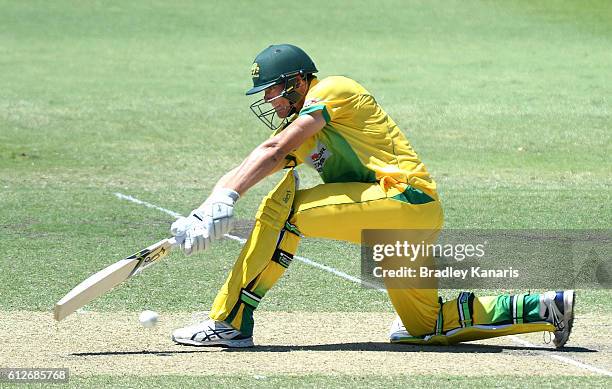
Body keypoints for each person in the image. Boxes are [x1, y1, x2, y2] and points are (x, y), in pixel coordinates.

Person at [169, 44, 575, 348]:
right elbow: (257, 159)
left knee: (286, 209)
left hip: (400, 201)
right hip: (410, 216)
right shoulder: (302, 131)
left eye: (273, 91)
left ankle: (231, 321)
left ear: (297, 82)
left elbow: (273, 152)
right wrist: (209, 205)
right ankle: (545, 306)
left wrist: (229, 200)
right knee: (426, 327)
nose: (269, 100)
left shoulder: (333, 89)